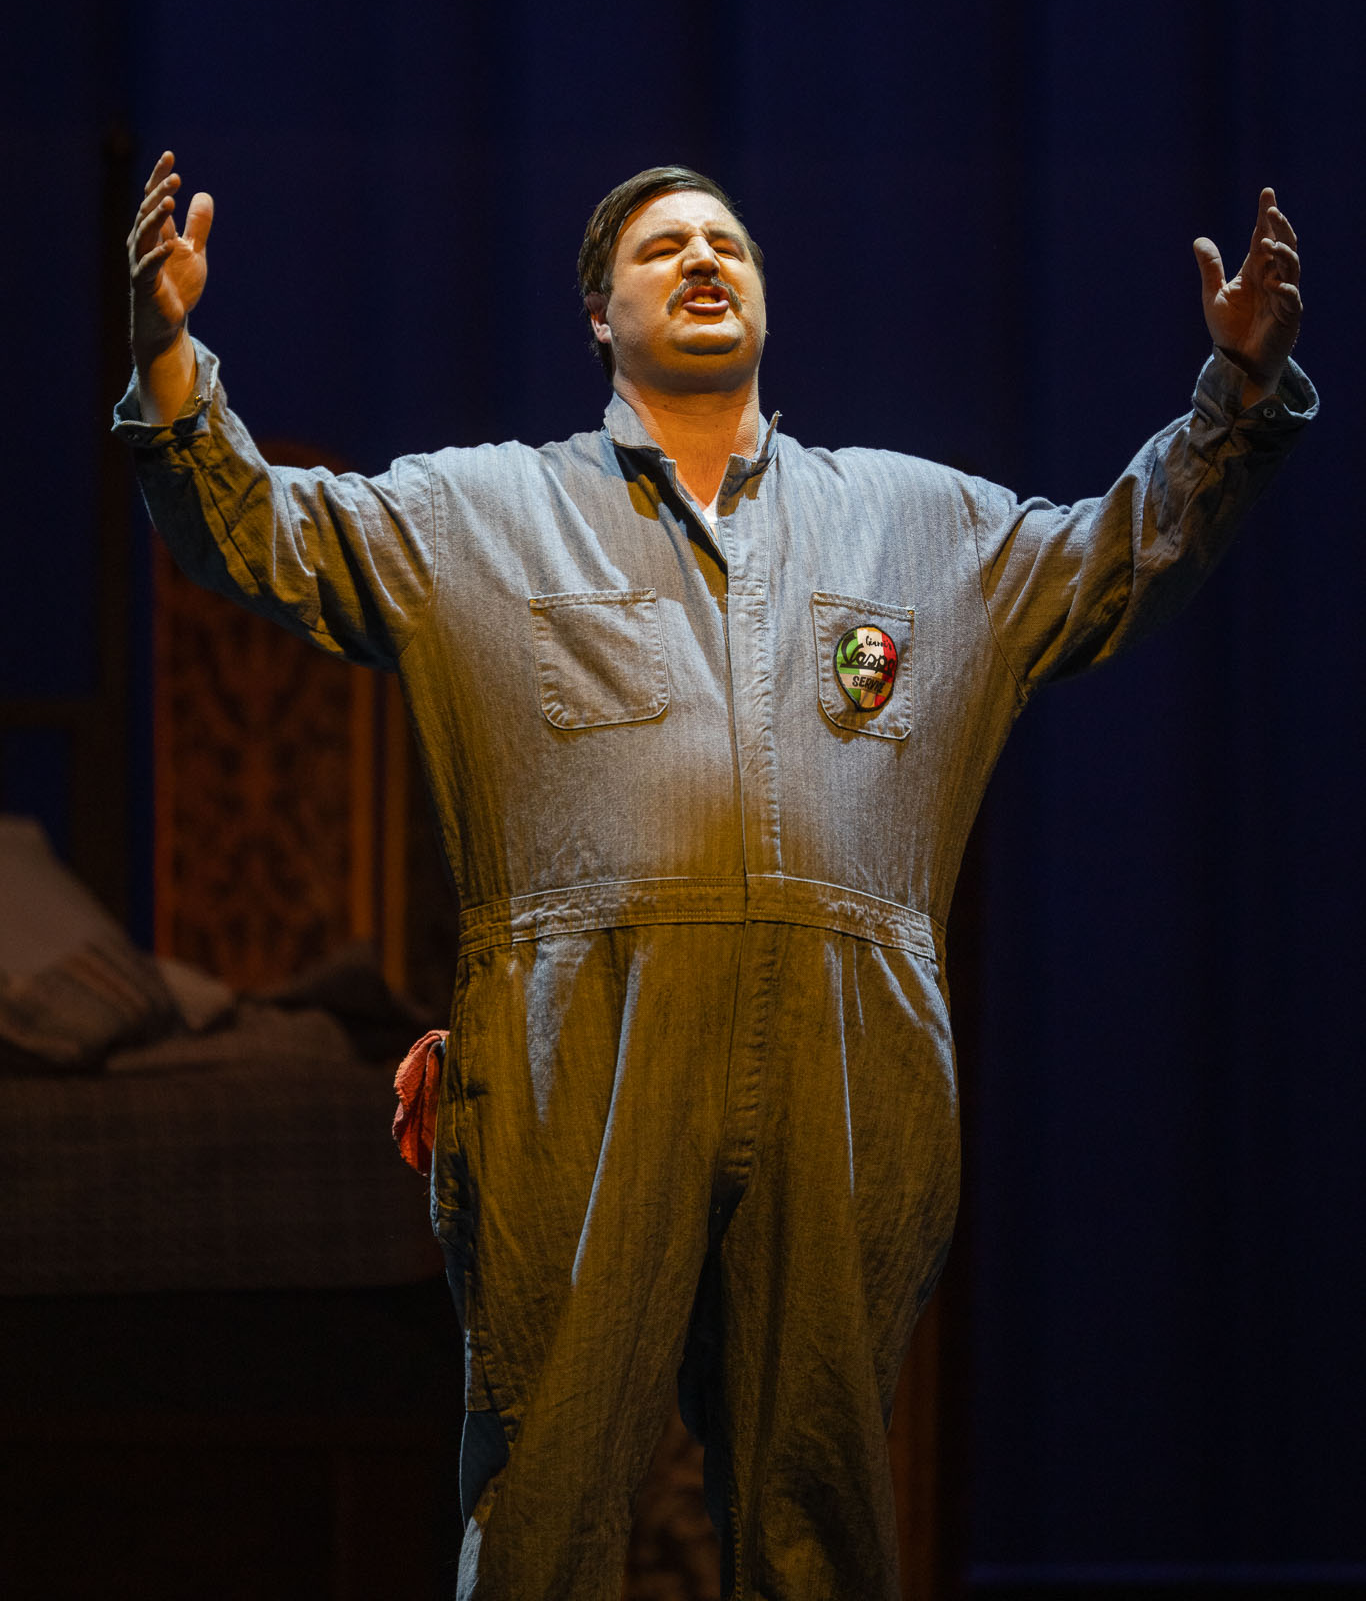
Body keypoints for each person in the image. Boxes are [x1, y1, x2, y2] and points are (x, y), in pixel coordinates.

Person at [118, 152, 1312, 1601]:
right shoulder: (481, 512)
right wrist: (171, 361)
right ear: (598, 316)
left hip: (846, 1063)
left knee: (820, 1505)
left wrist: (1237, 392)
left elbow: (1120, 555)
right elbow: (264, 534)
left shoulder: (917, 523)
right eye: (661, 247)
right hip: (581, 1060)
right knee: (548, 1493)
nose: (701, 259)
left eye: (726, 243)